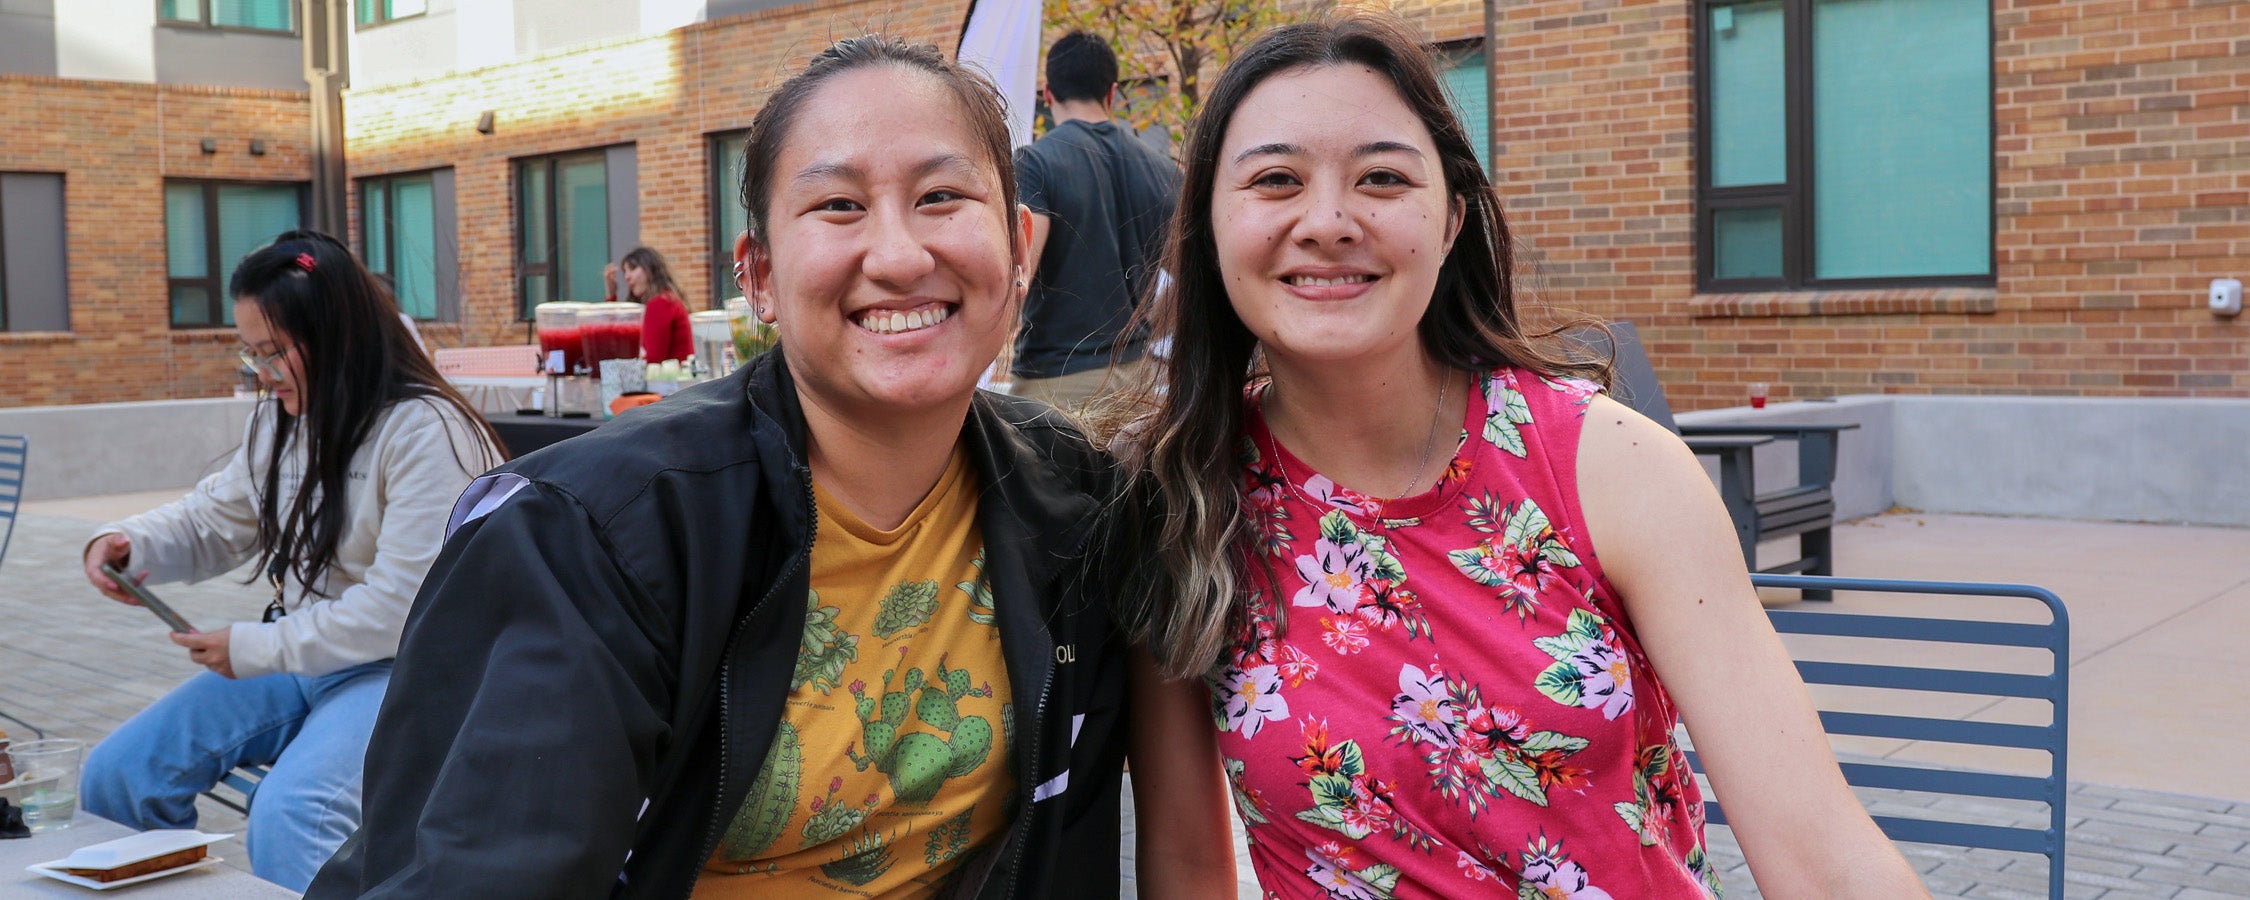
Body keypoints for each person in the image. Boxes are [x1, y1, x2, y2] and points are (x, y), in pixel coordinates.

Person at [305, 35, 1224, 899]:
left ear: (1020, 251)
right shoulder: (589, 537)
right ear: (759, 278)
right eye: (838, 206)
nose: (901, 254)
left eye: (943, 197)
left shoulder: (1081, 504)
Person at [1097, 14, 1928, 898]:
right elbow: (1188, 867)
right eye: (1275, 180)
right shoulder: (1179, 502)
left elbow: (1818, 850)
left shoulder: (1611, 468)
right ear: (1211, 228)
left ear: (1451, 219)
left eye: (1381, 177)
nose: (1329, 220)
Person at [78, 230, 504, 891]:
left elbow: (404, 611)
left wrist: (253, 647)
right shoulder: (284, 420)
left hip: (406, 673)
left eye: (273, 353)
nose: (261, 373)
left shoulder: (429, 431)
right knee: (119, 777)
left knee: (292, 813)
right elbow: (216, 518)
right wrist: (129, 545)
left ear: (337, 337)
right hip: (309, 659)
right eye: (250, 354)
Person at [1009, 31, 1182, 409]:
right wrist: (1148, 330)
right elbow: (1188, 284)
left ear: (1048, 94)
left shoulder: (1035, 163)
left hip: (1055, 386)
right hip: (1138, 382)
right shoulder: (1165, 172)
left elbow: (1019, 277)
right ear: (1112, 93)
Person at [606, 245, 693, 362]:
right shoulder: (666, 299)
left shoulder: (660, 303)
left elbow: (653, 358)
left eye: (632, 268)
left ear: (650, 269)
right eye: (625, 272)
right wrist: (611, 294)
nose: (626, 277)